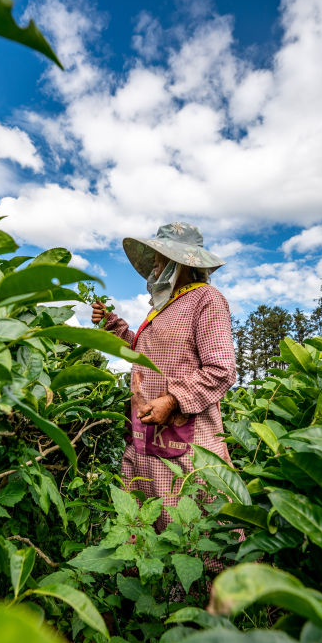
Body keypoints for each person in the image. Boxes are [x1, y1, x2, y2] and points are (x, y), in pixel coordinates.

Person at [91, 222, 237, 531]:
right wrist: (112, 324)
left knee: (193, 528)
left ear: (181, 262)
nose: (154, 264)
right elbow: (145, 354)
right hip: (146, 438)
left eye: (160, 256)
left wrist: (172, 400)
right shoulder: (162, 307)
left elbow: (222, 369)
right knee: (148, 530)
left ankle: (211, 582)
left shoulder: (206, 300)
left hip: (185, 445)